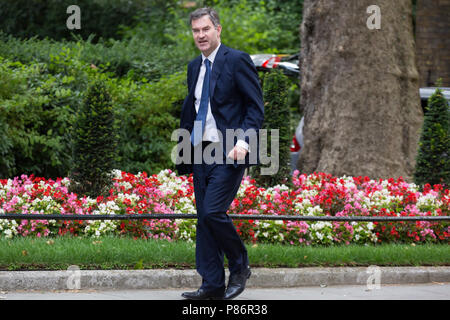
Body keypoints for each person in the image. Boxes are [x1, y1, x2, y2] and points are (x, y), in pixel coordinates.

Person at [176, 7, 264, 300]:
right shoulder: (193, 67)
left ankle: (240, 266)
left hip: (230, 151)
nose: (200, 35)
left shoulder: (236, 60)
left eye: (205, 29)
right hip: (200, 152)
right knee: (204, 218)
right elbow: (192, 112)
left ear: (218, 30)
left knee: (214, 211)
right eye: (195, 30)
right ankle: (212, 284)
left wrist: (244, 142)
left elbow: (254, 108)